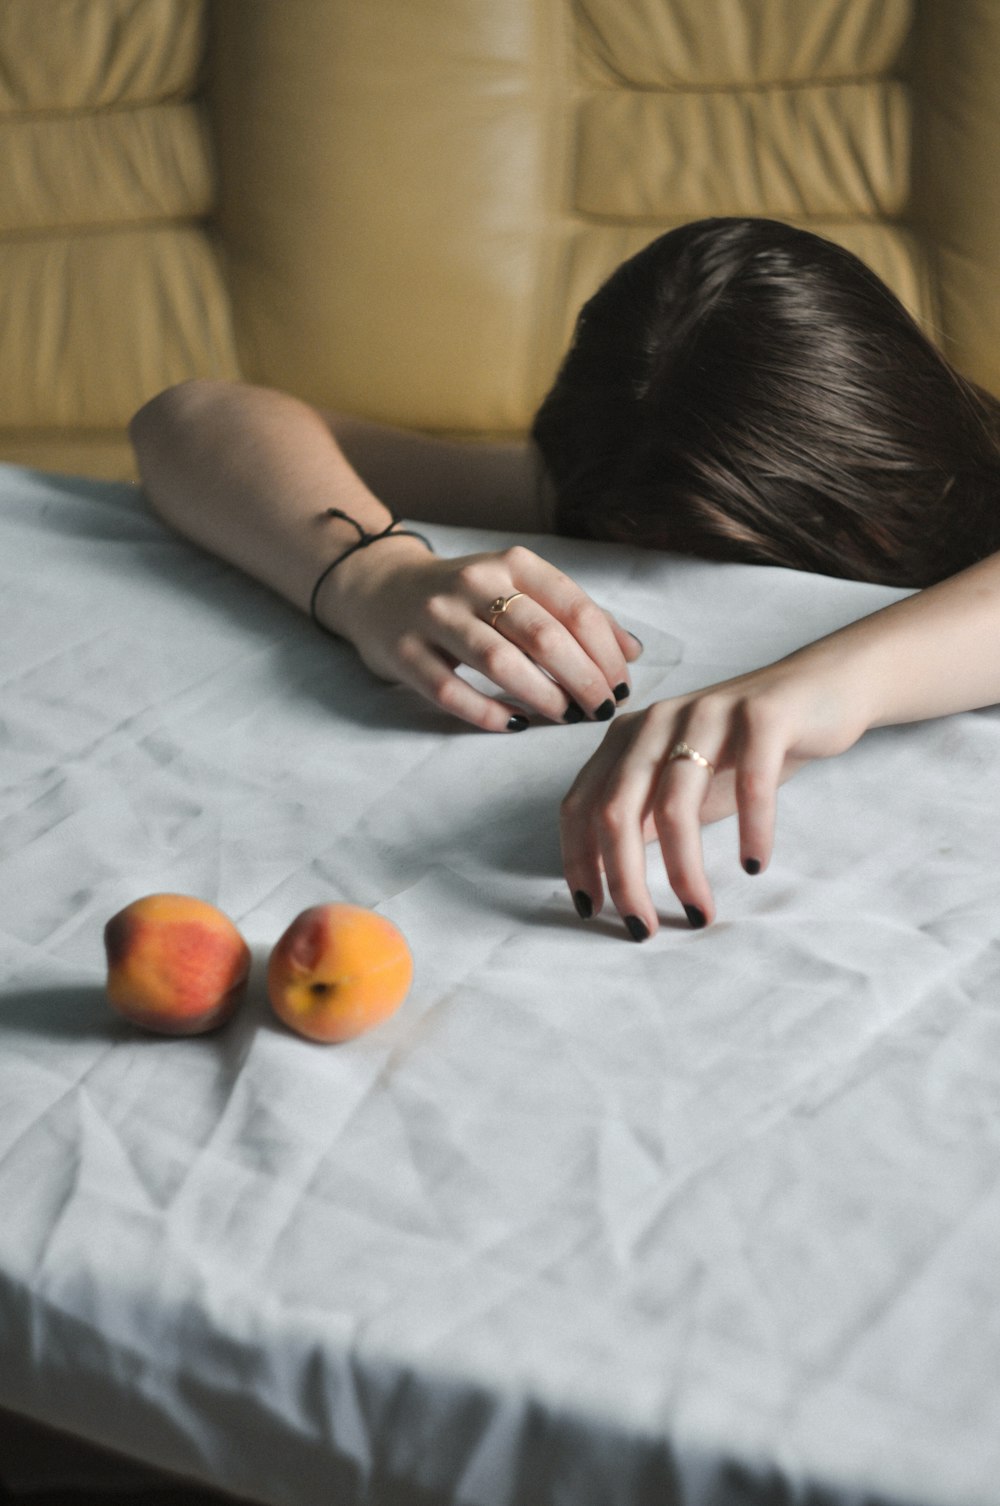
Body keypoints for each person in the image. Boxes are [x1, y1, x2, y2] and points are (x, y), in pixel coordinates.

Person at [130, 217, 1000, 942]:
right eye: (645, 545)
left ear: (893, 464)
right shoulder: (627, 472)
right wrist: (374, 573)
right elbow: (187, 418)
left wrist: (824, 685)